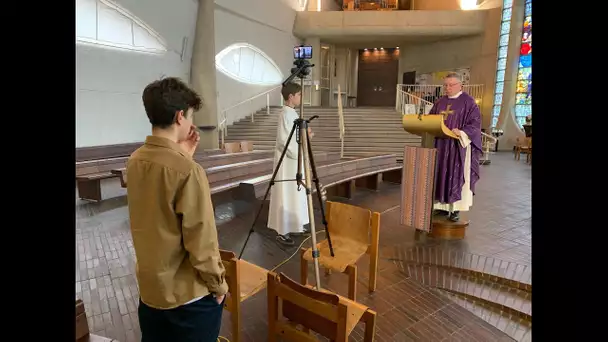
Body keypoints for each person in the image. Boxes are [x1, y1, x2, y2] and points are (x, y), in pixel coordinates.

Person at [126, 77, 228, 342]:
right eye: (191, 116)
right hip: (187, 300)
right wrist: (218, 285)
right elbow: (201, 241)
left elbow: (160, 204)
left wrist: (183, 155)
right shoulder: (189, 172)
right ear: (180, 116)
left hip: (151, 293)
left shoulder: (135, 161)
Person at [430, 72, 482, 222]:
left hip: (457, 147)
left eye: (451, 85)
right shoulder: (439, 102)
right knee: (440, 174)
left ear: (461, 85)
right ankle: (440, 206)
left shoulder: (469, 102)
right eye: (445, 85)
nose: (448, 88)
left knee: (456, 175)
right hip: (440, 145)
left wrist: (463, 132)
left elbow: (475, 124)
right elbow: (431, 119)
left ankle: (455, 209)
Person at [267, 82, 313, 246]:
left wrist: (306, 135)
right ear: (291, 96)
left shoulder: (291, 113)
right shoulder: (286, 114)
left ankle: (295, 225)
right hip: (288, 163)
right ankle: (283, 231)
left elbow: (295, 138)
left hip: (295, 162)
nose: (301, 97)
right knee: (287, 194)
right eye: (299, 94)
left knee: (295, 193)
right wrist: (302, 142)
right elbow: (284, 141)